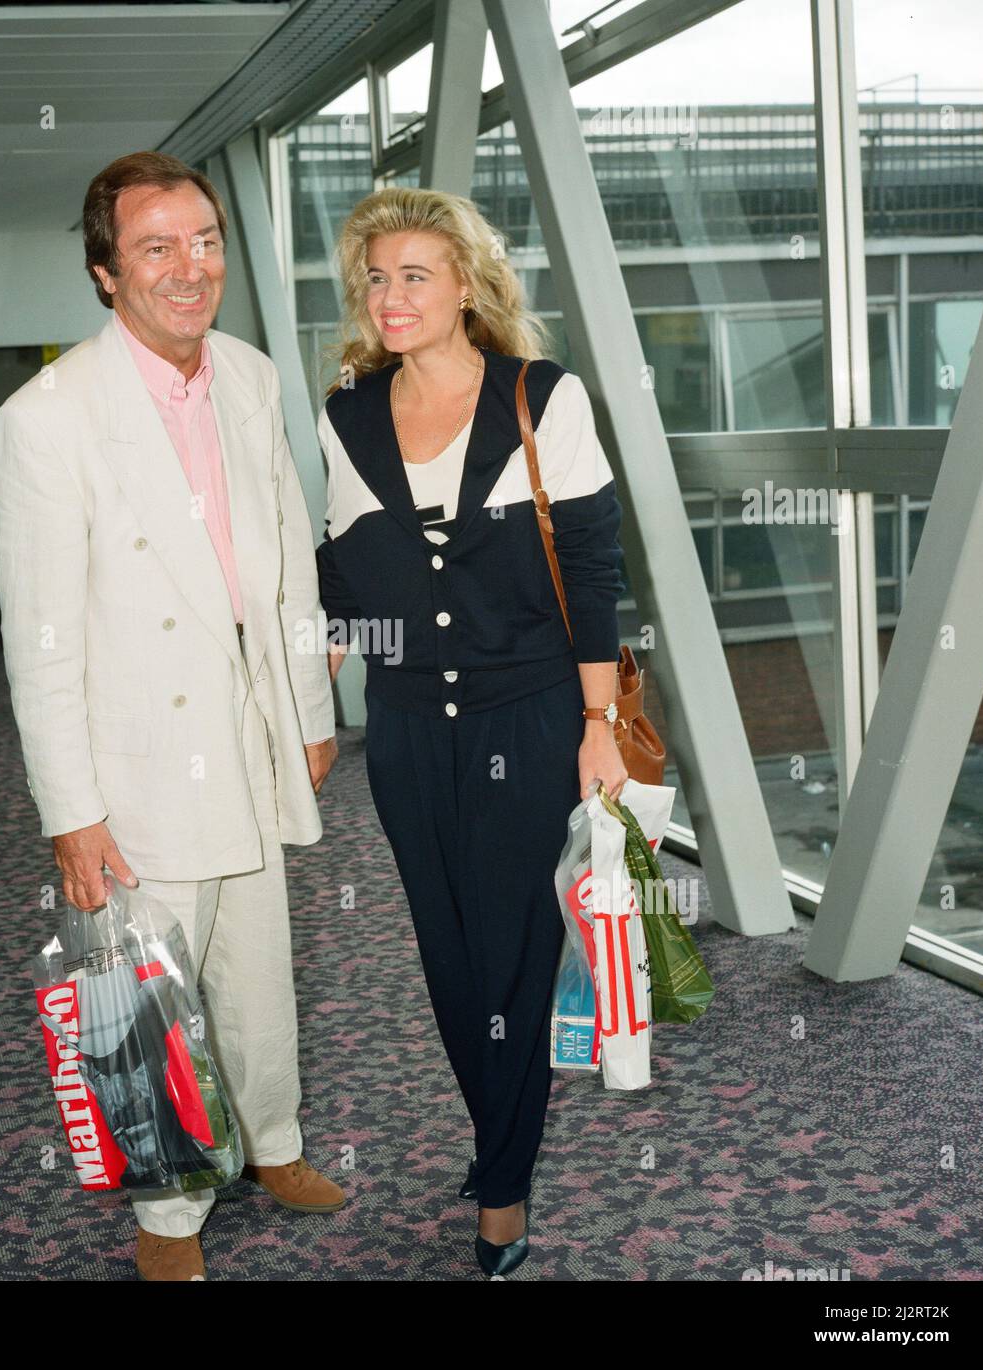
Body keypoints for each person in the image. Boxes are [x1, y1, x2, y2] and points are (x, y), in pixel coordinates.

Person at [0, 151, 346, 1282]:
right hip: (135, 765)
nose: (189, 269)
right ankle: (168, 1213)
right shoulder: (46, 419)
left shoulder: (244, 373)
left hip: (247, 734)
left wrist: (308, 708)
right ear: (105, 272)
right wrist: (71, 810)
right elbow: (39, 639)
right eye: (156, 248)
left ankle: (271, 1141)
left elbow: (287, 561)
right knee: (143, 991)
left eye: (204, 242)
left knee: (258, 969)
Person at [314, 186, 628, 1278]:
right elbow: (340, 569)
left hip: (528, 719)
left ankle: (502, 1183)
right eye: (374, 276)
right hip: (405, 733)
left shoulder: (543, 397)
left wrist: (598, 722)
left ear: (465, 286)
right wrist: (309, 692)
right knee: (448, 958)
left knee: (511, 951)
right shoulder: (346, 410)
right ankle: (499, 1145)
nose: (388, 295)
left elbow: (592, 569)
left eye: (413, 274)